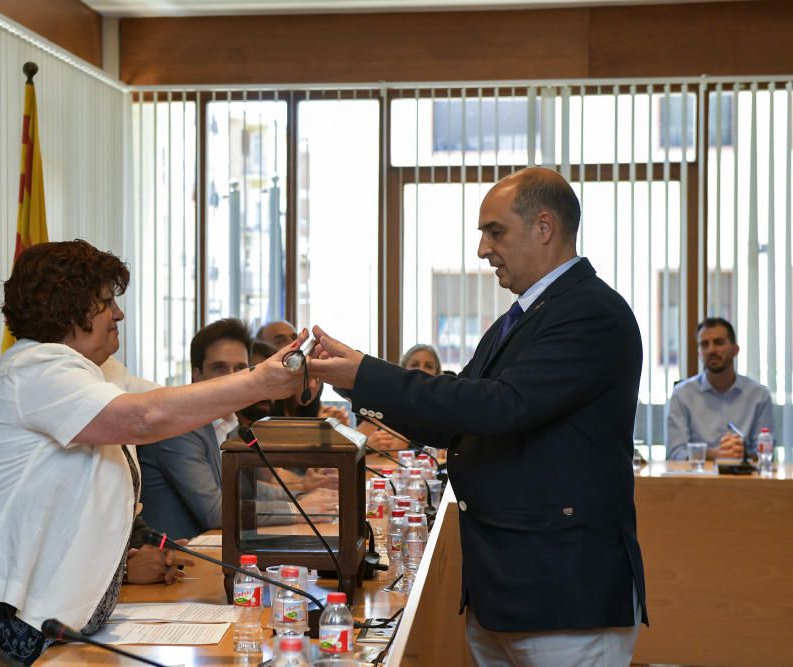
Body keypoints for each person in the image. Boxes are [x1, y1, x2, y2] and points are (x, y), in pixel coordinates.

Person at [0, 240, 306, 665]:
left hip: (41, 616)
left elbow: (175, 404)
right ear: (67, 308)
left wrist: (277, 377)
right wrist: (260, 381)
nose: (119, 314)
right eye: (107, 302)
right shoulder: (36, 369)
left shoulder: (96, 373)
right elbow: (144, 418)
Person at [310, 167, 647, 665]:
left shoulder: (590, 312)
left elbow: (499, 407)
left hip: (563, 595)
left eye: (495, 232)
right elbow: (453, 418)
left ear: (545, 226)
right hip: (505, 592)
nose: (483, 250)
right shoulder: (526, 316)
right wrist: (352, 378)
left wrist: (368, 373)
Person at [138, 319, 338, 539]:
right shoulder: (180, 428)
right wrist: (298, 509)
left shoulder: (229, 421)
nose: (232, 376)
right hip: (178, 560)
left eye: (240, 368)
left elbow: (246, 488)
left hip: (215, 547)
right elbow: (215, 512)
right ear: (196, 374)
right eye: (219, 368)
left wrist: (302, 496)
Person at [667, 317, 775, 461]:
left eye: (718, 342)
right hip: (697, 481)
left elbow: (766, 453)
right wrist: (715, 455)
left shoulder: (759, 395)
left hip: (745, 480)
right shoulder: (682, 394)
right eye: (704, 344)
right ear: (699, 353)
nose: (711, 350)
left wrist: (740, 455)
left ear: (735, 350)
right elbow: (675, 453)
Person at [257, 319, 350, 425]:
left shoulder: (309, 388)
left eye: (294, 338)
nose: (292, 344)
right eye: (280, 341)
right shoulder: (262, 402)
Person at [358, 344, 443, 451]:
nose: (421, 370)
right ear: (402, 370)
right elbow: (355, 447)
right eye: (414, 364)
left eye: (428, 366)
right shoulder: (382, 403)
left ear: (437, 373)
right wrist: (368, 447)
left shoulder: (442, 410)